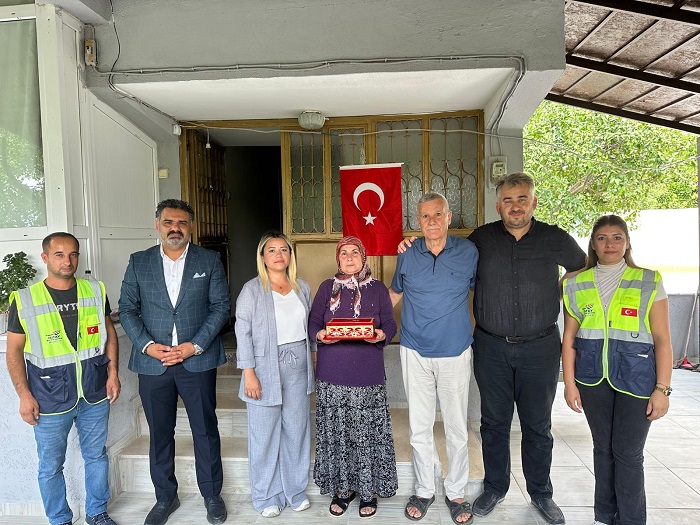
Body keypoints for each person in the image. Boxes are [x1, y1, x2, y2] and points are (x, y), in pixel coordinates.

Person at [399, 174, 586, 524]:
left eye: (522, 199)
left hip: (540, 346)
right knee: (494, 423)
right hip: (492, 346)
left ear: (533, 202)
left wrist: (557, 291)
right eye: (508, 200)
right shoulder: (480, 240)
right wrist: (409, 244)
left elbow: (582, 265)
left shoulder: (554, 238)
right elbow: (440, 255)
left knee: (537, 425)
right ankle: (495, 488)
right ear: (498, 205)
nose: (515, 206)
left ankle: (541, 493)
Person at [119, 199, 230, 525]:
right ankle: (165, 497)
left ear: (191, 226)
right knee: (160, 433)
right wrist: (147, 346)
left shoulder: (208, 260)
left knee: (205, 430)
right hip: (154, 363)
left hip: (197, 360)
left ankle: (212, 494)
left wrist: (194, 346)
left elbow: (221, 307)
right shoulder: (139, 262)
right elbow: (127, 309)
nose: (175, 228)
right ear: (158, 225)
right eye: (168, 222)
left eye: (182, 223)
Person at [562, 215, 672, 525]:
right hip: (592, 378)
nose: (609, 244)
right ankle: (604, 517)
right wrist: (569, 384)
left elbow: (663, 339)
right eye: (602, 238)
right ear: (593, 244)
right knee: (603, 449)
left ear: (627, 243)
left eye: (616, 237)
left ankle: (631, 520)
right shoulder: (575, 284)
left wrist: (662, 389)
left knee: (628, 453)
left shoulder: (648, 280)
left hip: (637, 378)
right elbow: (569, 338)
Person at [5, 232, 121, 525]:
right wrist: (24, 395)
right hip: (48, 397)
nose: (67, 261)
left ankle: (97, 513)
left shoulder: (94, 290)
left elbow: (109, 335)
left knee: (97, 456)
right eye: (59, 254)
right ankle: (59, 519)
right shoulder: (26, 299)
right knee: (50, 466)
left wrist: (113, 373)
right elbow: (14, 351)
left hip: (94, 393)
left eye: (73, 254)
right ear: (45, 257)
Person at [390, 193, 478, 525]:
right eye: (425, 216)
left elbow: (483, 290)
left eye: (438, 214)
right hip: (414, 350)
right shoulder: (407, 253)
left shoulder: (468, 252)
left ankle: (456, 491)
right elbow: (395, 293)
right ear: (418, 220)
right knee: (420, 426)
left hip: (455, 351)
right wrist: (365, 322)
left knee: (456, 426)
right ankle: (425, 489)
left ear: (449, 216)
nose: (432, 221)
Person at [309, 236, 398, 518]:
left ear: (363, 257)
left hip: (367, 375)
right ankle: (344, 489)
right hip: (332, 374)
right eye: (344, 253)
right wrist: (320, 334)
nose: (349, 257)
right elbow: (313, 322)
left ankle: (368, 491)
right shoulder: (327, 288)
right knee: (339, 434)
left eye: (355, 252)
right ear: (338, 258)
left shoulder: (378, 289)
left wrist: (381, 335)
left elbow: (390, 324)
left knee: (366, 434)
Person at [234, 230, 315, 518]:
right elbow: (242, 332)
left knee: (297, 431)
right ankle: (266, 495)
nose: (279, 255)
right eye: (272, 250)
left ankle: (294, 490)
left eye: (284, 249)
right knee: (264, 435)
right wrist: (249, 373)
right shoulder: (252, 290)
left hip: (298, 365)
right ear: (262, 257)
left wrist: (314, 359)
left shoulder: (301, 287)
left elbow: (310, 329)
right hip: (264, 367)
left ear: (290, 255)